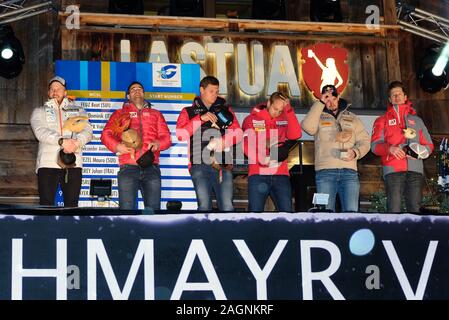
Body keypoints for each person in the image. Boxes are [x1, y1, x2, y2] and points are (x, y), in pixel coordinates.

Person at [101, 81, 171, 210]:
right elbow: (106, 134)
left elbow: (166, 137)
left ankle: (152, 231)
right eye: (133, 89)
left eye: (140, 89)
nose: (137, 90)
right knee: (126, 212)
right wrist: (118, 147)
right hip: (128, 168)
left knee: (153, 212)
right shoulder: (119, 114)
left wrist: (157, 143)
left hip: (151, 167)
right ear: (128, 96)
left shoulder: (156, 114)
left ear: (144, 93)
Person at [176, 76, 242, 212]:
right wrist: (200, 119)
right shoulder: (188, 111)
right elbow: (181, 135)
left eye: (217, 91)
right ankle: (203, 234)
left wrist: (223, 142)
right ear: (202, 90)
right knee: (204, 206)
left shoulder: (226, 111)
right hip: (199, 164)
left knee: (228, 207)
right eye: (211, 91)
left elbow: (239, 133)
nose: (215, 94)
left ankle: (229, 234)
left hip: (222, 164)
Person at [302, 84, 370, 212]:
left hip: (349, 173)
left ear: (338, 97)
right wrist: (320, 103)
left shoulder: (352, 117)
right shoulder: (318, 116)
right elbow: (307, 127)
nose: (330, 102)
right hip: (325, 173)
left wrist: (356, 152)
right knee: (325, 213)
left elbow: (365, 141)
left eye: (333, 98)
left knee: (351, 213)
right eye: (326, 99)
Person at [371, 81, 434, 213]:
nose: (397, 96)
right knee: (394, 210)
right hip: (393, 170)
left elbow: (429, 146)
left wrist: (419, 152)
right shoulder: (381, 121)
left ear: (405, 97)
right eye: (393, 95)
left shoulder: (417, 121)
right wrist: (390, 149)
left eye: (399, 94)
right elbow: (375, 146)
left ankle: (415, 234)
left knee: (415, 210)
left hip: (415, 170)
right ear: (390, 99)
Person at [30, 76, 93, 207]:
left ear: (65, 92)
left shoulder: (78, 111)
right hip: (47, 165)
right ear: (48, 93)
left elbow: (88, 131)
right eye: (52, 89)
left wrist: (76, 143)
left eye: (58, 89)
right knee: (46, 204)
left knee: (72, 205)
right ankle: (46, 228)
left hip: (72, 163)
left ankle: (71, 228)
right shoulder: (39, 111)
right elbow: (40, 132)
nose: (55, 91)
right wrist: (61, 141)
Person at [242, 92, 302, 212]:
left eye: (281, 110)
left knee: (287, 215)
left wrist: (288, 109)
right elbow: (246, 144)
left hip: (280, 174)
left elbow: (296, 134)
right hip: (258, 173)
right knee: (255, 214)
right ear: (269, 103)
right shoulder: (251, 119)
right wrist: (263, 159)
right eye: (275, 109)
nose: (277, 112)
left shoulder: (284, 118)